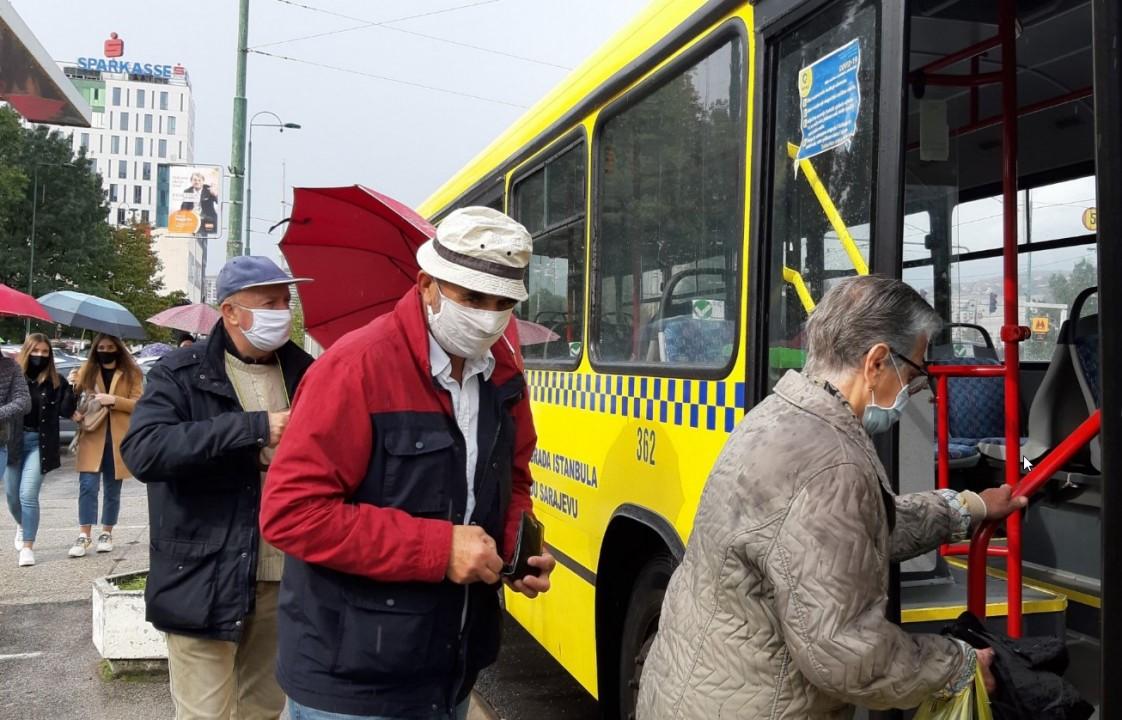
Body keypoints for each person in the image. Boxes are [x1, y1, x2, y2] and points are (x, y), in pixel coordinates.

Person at [636, 275, 1029, 720]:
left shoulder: (779, 415)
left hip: (697, 690)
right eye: (917, 373)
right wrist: (955, 664)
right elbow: (846, 652)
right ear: (877, 362)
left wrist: (968, 508)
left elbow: (853, 531)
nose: (918, 389)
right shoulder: (831, 463)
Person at [260, 206, 556, 720]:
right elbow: (292, 512)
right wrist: (440, 549)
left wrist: (512, 548)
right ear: (428, 285)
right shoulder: (354, 369)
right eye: (472, 298)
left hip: (450, 670)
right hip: (351, 681)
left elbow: (511, 480)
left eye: (502, 302)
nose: (488, 315)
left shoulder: (504, 377)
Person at [121, 256, 314, 720]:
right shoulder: (180, 373)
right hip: (202, 575)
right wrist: (255, 429)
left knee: (264, 710)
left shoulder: (307, 372)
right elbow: (145, 451)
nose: (282, 312)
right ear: (230, 312)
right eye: (268, 302)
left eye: (285, 302)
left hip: (283, 576)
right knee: (205, 714)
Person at [67, 334, 143, 558]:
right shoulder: (85, 371)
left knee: (112, 489)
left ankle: (107, 532)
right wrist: (73, 385)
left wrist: (114, 400)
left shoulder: (132, 373)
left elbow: (140, 405)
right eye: (101, 347)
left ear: (118, 349)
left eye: (110, 347)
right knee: (87, 487)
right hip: (92, 435)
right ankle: (84, 535)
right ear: (94, 349)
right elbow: (74, 402)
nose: (105, 350)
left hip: (118, 437)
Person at [0, 347, 34, 564]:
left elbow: (24, 402)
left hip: (1, 441)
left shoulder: (10, 367)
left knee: (18, 495)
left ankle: (26, 533)